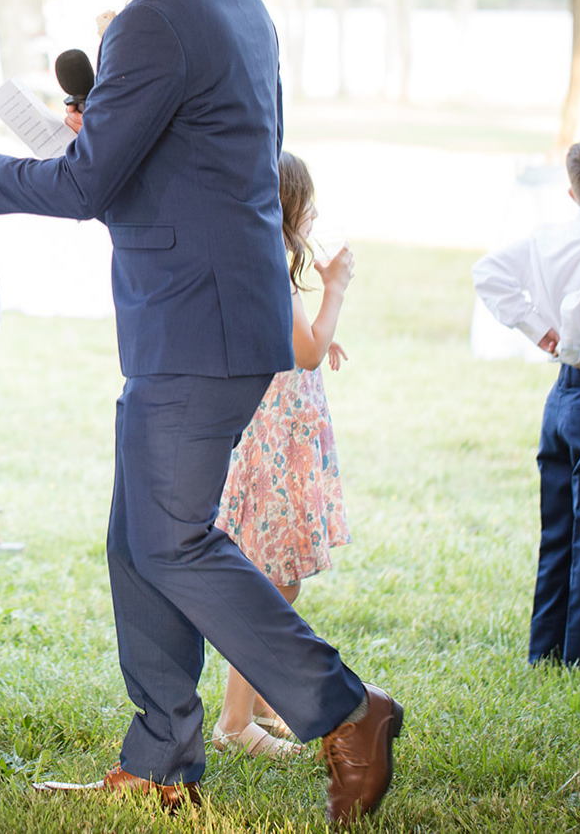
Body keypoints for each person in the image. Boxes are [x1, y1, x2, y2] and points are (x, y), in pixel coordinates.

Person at [0, 0, 401, 825]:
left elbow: (92, 183)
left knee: (173, 541)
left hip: (198, 328)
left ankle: (346, 709)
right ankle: (163, 759)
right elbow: (188, 158)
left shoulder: (151, 17)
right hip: (210, 316)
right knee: (137, 541)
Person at [472, 136, 580, 667]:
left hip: (563, 399)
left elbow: (488, 273)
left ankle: (545, 648)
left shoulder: (546, 237)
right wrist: (568, 339)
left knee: (561, 528)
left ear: (570, 192)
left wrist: (536, 327)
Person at [212, 151, 354, 759]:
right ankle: (234, 723)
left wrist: (318, 323)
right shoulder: (273, 262)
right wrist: (336, 291)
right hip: (274, 442)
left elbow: (293, 336)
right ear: (290, 208)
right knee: (273, 582)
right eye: (310, 203)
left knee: (281, 573)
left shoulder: (259, 255)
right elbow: (307, 350)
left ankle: (265, 701)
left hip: (279, 434)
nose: (317, 213)